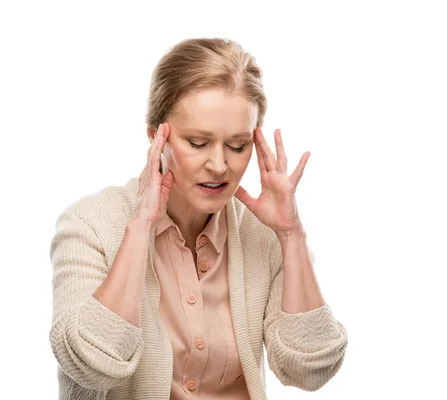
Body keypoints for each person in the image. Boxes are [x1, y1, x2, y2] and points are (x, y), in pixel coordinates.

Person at [49, 38, 348, 400]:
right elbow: (90, 366)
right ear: (156, 137)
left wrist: (291, 236)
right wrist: (141, 227)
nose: (220, 165)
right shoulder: (89, 225)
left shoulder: (265, 235)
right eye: (198, 143)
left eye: (238, 146)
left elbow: (309, 370)